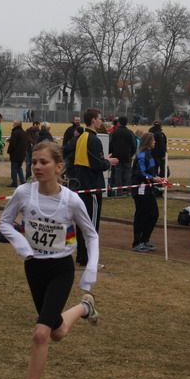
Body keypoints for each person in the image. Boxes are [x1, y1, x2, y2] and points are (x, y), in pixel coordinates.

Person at [0, 141, 101, 379]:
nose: (37, 167)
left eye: (43, 162)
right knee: (56, 331)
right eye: (34, 162)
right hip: (34, 267)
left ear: (59, 167)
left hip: (60, 269)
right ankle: (84, 307)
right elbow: (5, 223)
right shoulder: (23, 193)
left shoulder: (71, 200)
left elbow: (91, 235)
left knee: (40, 333)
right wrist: (21, 244)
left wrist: (90, 270)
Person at [72, 107, 119, 267]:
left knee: (82, 223)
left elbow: (89, 160)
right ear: (93, 120)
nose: (101, 121)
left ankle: (81, 256)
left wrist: (102, 160)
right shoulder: (93, 139)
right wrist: (107, 162)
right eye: (99, 118)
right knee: (91, 225)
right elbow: (97, 165)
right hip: (91, 187)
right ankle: (89, 259)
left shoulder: (82, 137)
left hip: (81, 185)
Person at [130, 133, 163, 252]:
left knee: (154, 214)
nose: (155, 142)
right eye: (153, 140)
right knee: (141, 216)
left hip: (148, 189)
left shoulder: (150, 155)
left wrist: (157, 178)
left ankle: (145, 239)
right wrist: (153, 178)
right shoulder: (141, 156)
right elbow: (140, 173)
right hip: (141, 190)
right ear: (148, 142)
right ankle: (137, 242)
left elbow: (151, 172)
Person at [109, 116, 136, 195]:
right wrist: (131, 154)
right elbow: (134, 145)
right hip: (127, 156)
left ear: (119, 123)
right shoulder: (130, 132)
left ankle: (119, 191)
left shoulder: (114, 132)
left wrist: (112, 153)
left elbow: (110, 144)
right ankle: (128, 190)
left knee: (118, 173)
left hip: (116, 156)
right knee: (128, 173)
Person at [7, 119, 28, 187]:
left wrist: (9, 151)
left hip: (15, 154)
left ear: (16, 125)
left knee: (14, 169)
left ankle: (14, 182)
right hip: (22, 154)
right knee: (19, 168)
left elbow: (13, 144)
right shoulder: (24, 133)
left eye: (14, 123)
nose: (13, 125)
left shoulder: (15, 133)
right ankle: (23, 180)